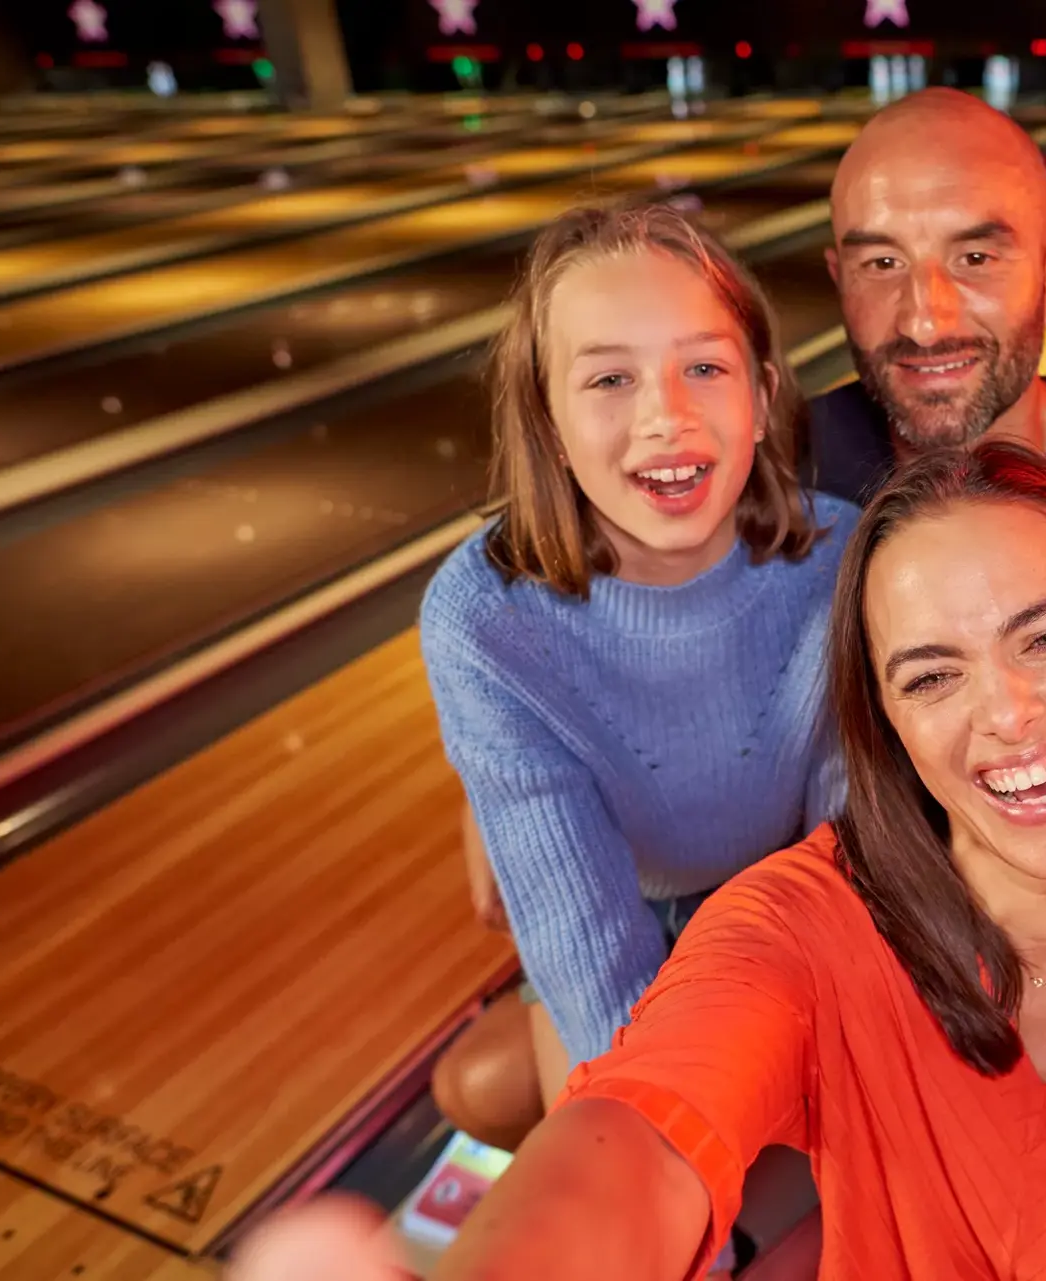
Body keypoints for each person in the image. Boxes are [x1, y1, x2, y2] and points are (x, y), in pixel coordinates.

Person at [230, 443, 1046, 1281]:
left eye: (1045, 638)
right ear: (884, 712)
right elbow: (638, 1136)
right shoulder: (808, 925)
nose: (1008, 718)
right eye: (933, 674)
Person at [418, 199, 858, 1161]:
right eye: (610, 377)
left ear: (763, 393)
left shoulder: (844, 563)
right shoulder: (483, 622)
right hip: (622, 910)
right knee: (600, 1138)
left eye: (704, 367)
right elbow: (594, 954)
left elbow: (845, 868)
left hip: (779, 901)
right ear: (547, 415)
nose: (666, 415)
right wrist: (668, 1158)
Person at [807, 87, 1046, 547]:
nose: (924, 324)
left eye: (975, 259)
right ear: (840, 281)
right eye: (882, 264)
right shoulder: (769, 476)